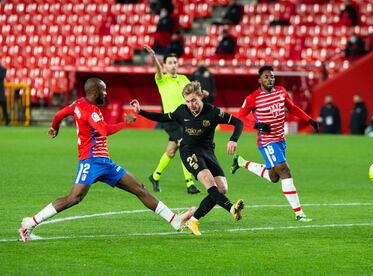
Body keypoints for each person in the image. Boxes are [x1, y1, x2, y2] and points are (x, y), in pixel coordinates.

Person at [19, 78, 194, 243]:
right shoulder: (90, 110)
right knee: (73, 198)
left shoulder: (78, 104)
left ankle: (175, 221)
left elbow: (59, 114)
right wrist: (125, 123)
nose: (106, 94)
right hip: (91, 161)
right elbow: (103, 130)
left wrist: (54, 128)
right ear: (95, 91)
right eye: (104, 90)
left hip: (105, 163)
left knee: (139, 188)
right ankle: (30, 223)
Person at [130, 81, 244, 235]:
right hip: (189, 151)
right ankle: (231, 208)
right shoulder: (181, 111)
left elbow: (238, 122)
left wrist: (233, 139)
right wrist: (140, 111)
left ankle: (193, 220)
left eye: (194, 101)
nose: (191, 105)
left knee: (222, 189)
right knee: (209, 183)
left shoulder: (213, 112)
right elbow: (162, 117)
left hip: (208, 152)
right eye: (188, 101)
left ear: (201, 96)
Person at [231, 65, 319, 222]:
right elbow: (240, 117)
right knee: (285, 171)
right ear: (260, 80)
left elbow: (292, 108)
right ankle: (299, 213)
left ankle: (241, 162)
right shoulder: (253, 98)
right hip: (267, 141)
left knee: (274, 177)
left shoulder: (281, 91)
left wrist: (309, 119)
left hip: (280, 139)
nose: (270, 79)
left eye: (272, 76)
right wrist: (257, 126)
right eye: (266, 77)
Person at [144, 46, 200, 194]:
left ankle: (154, 176)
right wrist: (154, 57)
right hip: (170, 119)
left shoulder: (184, 79)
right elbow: (157, 68)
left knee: (170, 151)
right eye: (170, 62)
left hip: (184, 119)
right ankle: (190, 184)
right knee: (185, 145)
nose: (173, 64)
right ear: (165, 65)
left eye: (175, 62)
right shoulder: (162, 79)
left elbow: (192, 95)